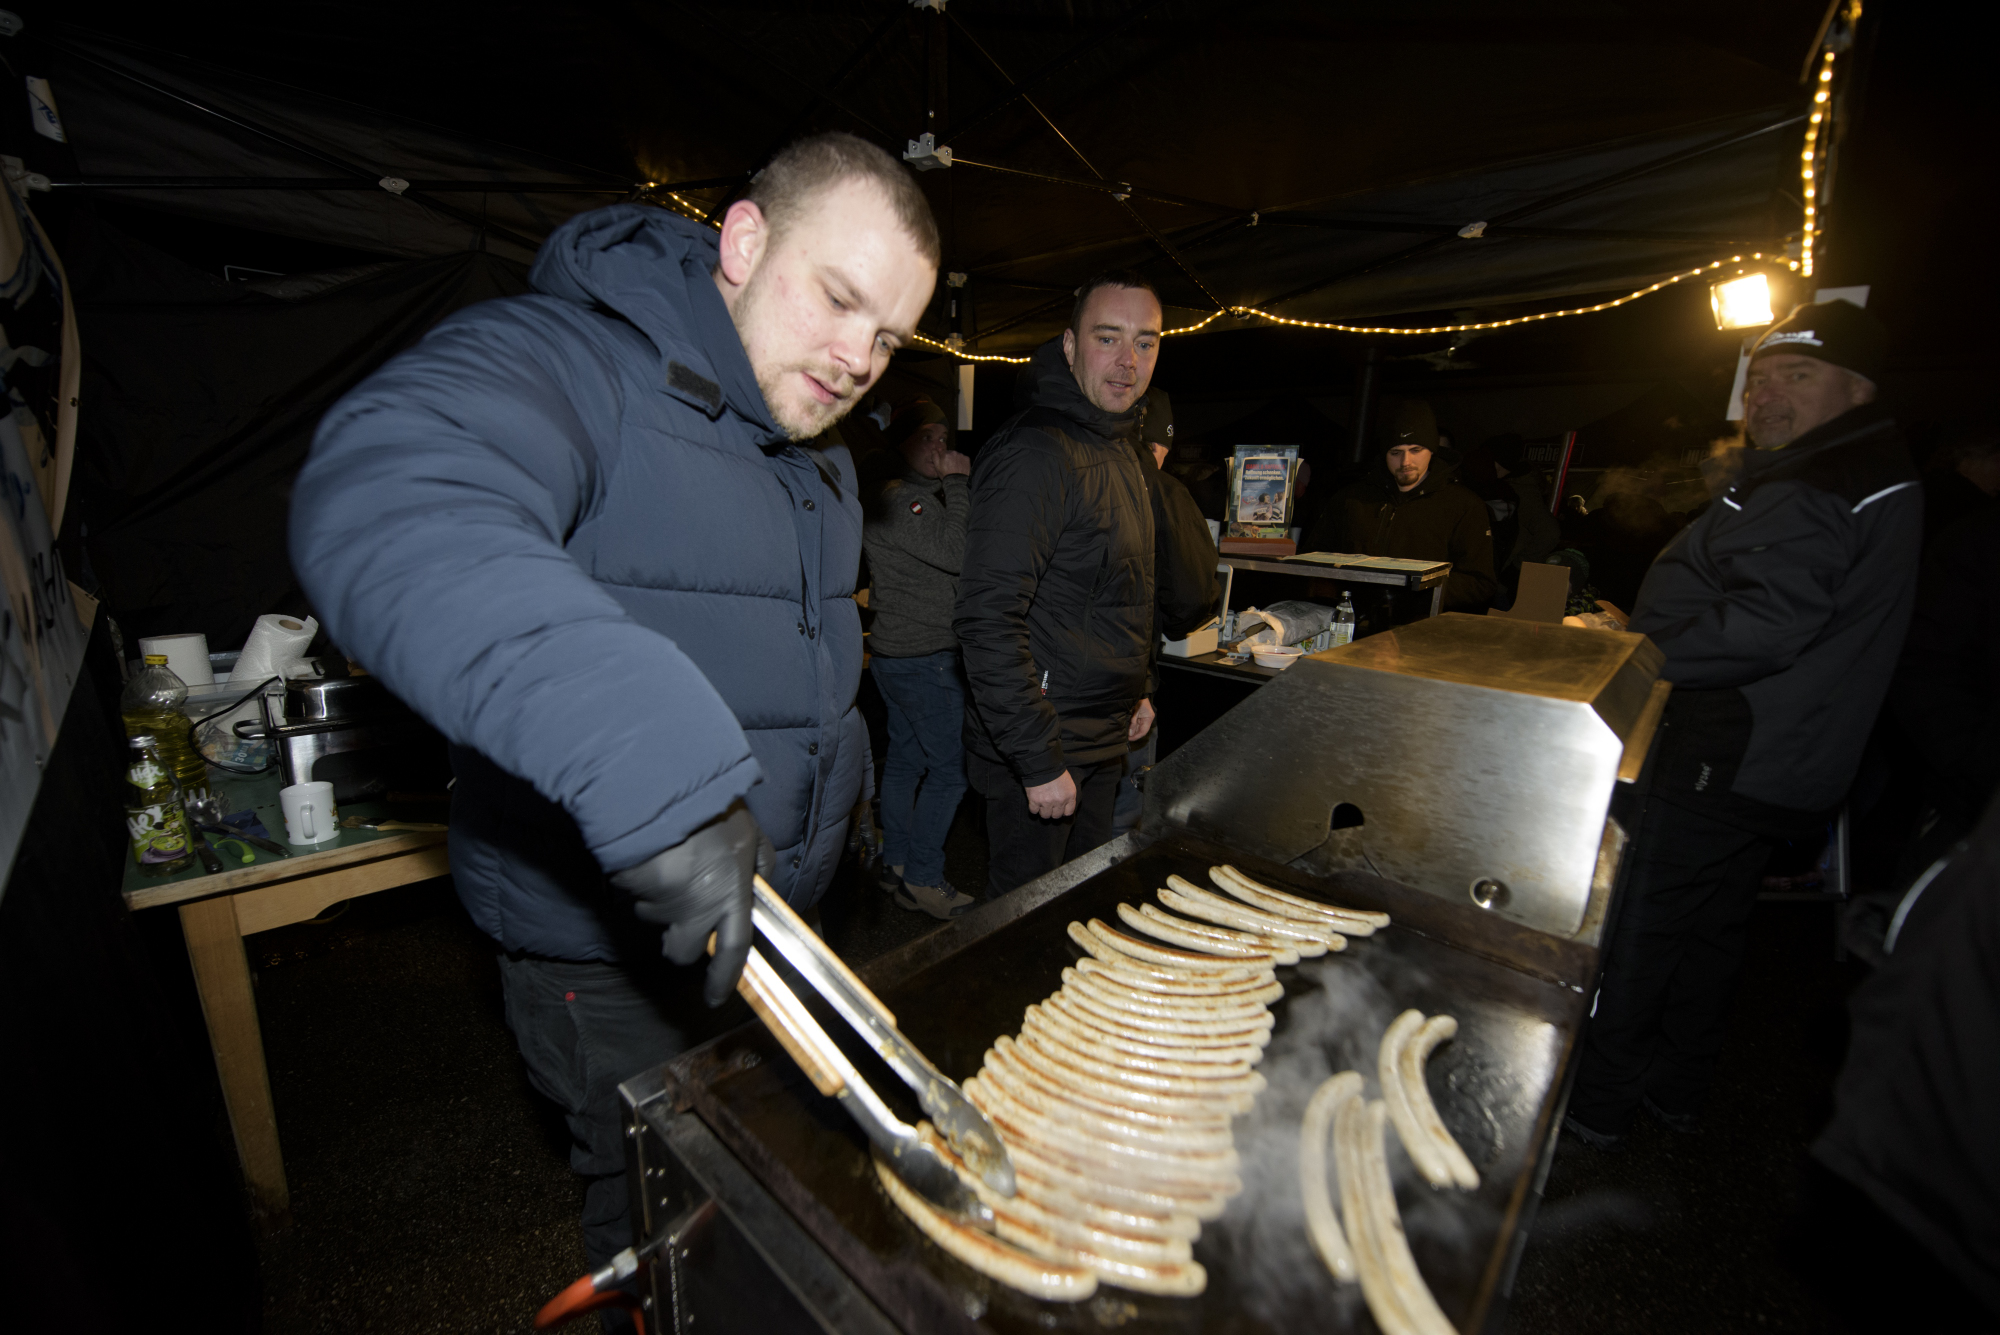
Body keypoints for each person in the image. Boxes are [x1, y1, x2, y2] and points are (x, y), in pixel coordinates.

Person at [287, 132, 938, 1287]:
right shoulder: (572, 356)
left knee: (766, 1197)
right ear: (743, 242)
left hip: (772, 922)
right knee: (662, 1228)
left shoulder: (819, 451)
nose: (856, 359)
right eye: (838, 300)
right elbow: (394, 487)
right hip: (607, 946)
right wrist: (664, 778)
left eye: (886, 337)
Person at [1566, 298, 1922, 1148]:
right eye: (1759, 379)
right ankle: (1678, 1087)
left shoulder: (1819, 479)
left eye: (1797, 375)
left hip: (1729, 745)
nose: (1767, 396)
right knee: (1713, 926)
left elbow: (1762, 627)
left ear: (1858, 388)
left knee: (1647, 922)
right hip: (1783, 755)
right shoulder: (1858, 466)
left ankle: (1598, 1105)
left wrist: (1634, 654)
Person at [955, 271, 1159, 897]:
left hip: (1100, 735)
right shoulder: (1036, 453)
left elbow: (1120, 589)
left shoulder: (1120, 446)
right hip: (1045, 747)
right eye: (1108, 338)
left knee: (1080, 918)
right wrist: (1037, 760)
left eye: (1145, 342)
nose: (1128, 362)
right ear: (1070, 347)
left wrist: (1138, 689)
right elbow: (987, 618)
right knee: (1025, 928)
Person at [862, 398, 978, 918]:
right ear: (902, 443)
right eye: (927, 437)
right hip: (924, 658)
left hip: (897, 655)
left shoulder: (894, 495)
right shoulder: (902, 499)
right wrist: (957, 483)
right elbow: (957, 554)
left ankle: (898, 864)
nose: (939, 447)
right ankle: (924, 880)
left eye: (943, 437)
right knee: (950, 771)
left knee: (907, 760)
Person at [1114, 387, 1220, 833]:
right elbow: (1193, 594)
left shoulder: (1073, 474)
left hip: (1058, 682)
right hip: (1129, 677)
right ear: (1159, 444)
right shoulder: (1165, 492)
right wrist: (1174, 623)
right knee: (1123, 814)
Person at [1304, 399, 1499, 613]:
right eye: (1396, 452)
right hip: (1351, 621)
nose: (1406, 461)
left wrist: (1414, 592)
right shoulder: (1351, 499)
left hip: (1422, 626)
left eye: (1416, 450)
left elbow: (1480, 583)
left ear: (1432, 450)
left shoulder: (1464, 505)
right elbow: (1313, 559)